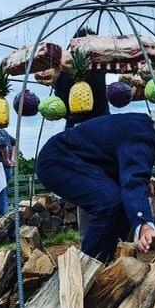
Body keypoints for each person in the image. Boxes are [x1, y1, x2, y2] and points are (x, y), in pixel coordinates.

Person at [35, 112, 155, 263]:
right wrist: (144, 225)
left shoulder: (142, 126)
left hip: (81, 162)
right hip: (58, 161)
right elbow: (133, 181)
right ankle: (89, 266)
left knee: (118, 199)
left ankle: (110, 254)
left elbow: (124, 161)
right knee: (110, 202)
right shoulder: (143, 138)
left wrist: (144, 181)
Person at [53, 26, 111, 237]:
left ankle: (91, 236)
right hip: (99, 130)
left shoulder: (62, 70)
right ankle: (97, 235)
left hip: (76, 131)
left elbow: (59, 103)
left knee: (87, 184)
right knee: (105, 178)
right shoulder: (97, 64)